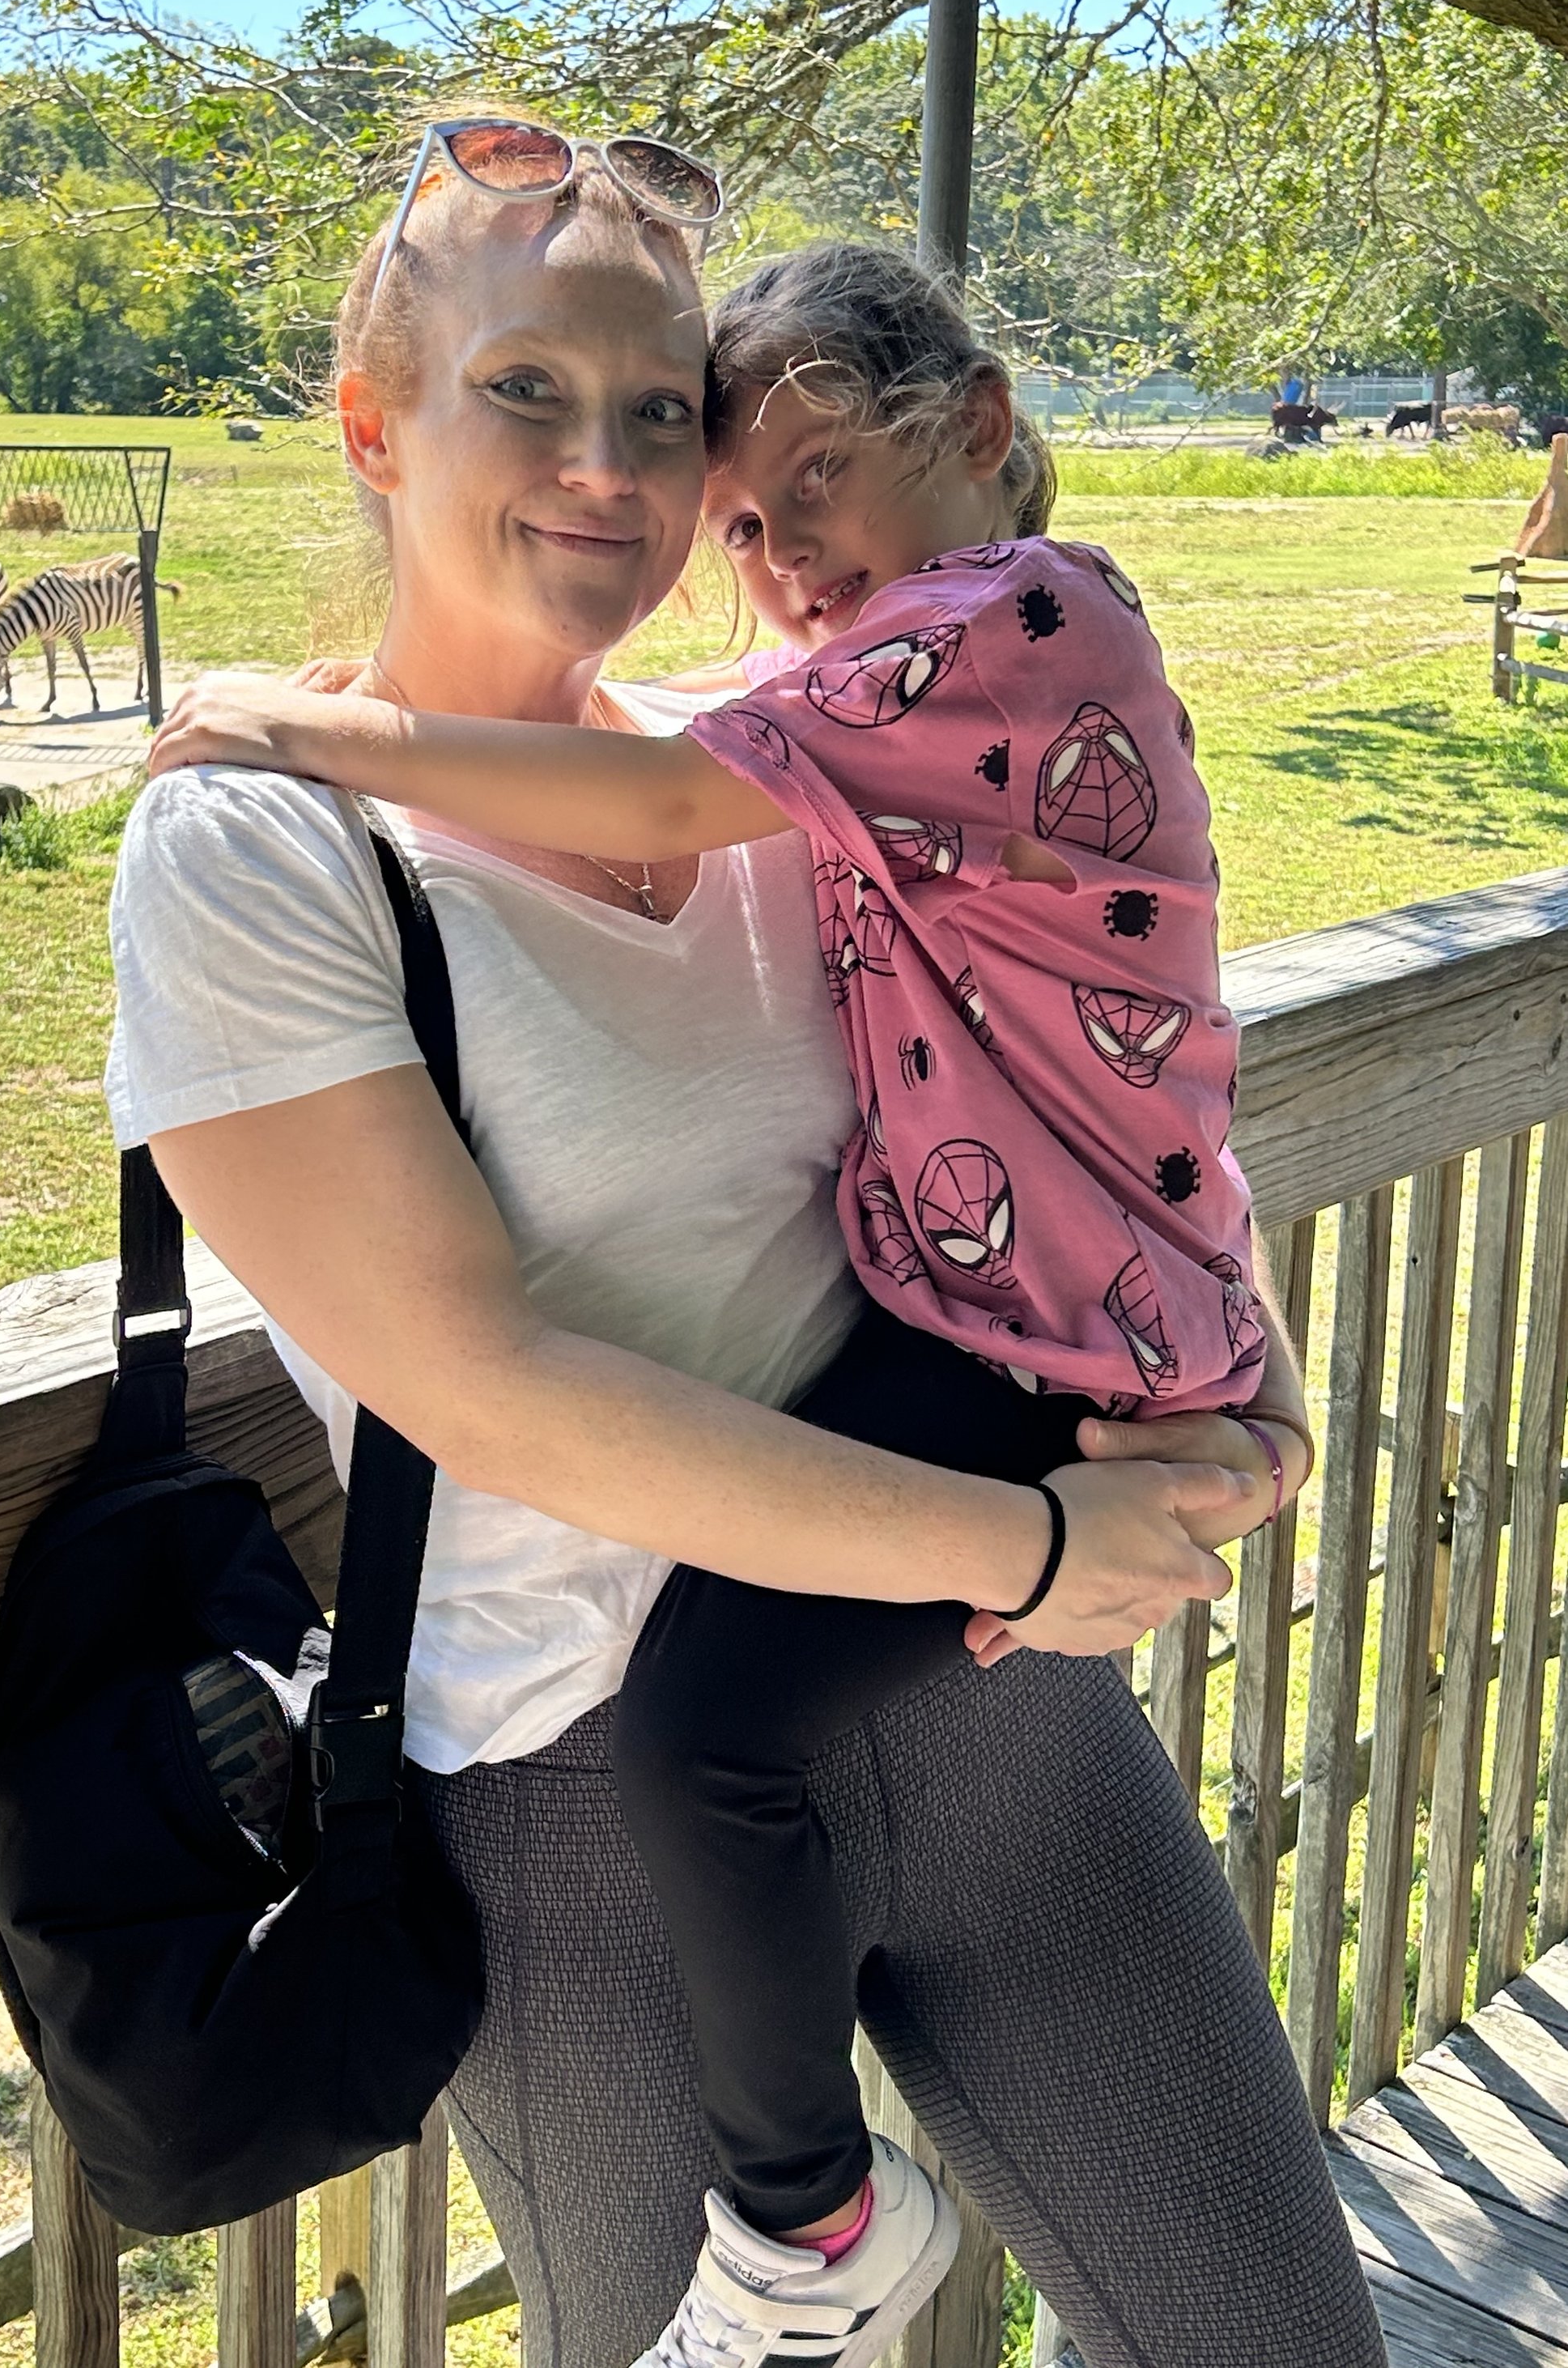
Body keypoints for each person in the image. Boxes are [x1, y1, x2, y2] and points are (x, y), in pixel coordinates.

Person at [109, 115, 1387, 2368]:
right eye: (526, 390)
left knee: (1272, 2341)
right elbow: (479, 1384)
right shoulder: (261, 848)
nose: (607, 468)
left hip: (987, 1705)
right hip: (593, 1791)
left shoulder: (790, 769)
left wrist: (1232, 1390)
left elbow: (1092, 1068)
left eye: (659, 413)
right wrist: (1022, 1540)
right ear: (375, 425)